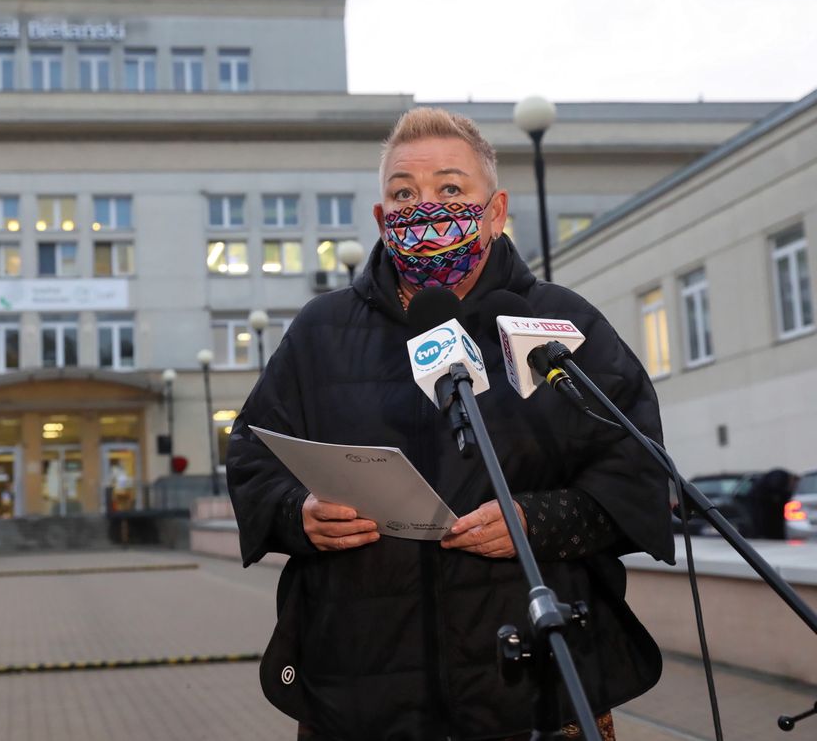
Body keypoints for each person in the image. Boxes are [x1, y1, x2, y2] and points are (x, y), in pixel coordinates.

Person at [226, 107, 675, 741]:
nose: (425, 207)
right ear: (383, 220)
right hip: (361, 685)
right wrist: (297, 512)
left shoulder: (560, 322)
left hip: (533, 684)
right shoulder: (319, 333)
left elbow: (637, 469)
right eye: (403, 194)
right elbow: (251, 457)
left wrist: (535, 521)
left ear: (495, 211)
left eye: (451, 188)